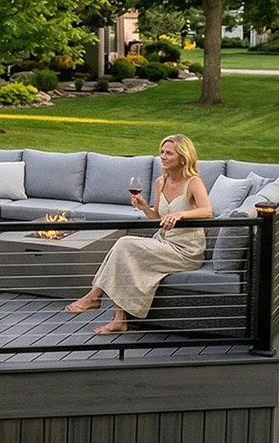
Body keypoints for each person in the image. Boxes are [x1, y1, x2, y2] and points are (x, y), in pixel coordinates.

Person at [63, 134, 211, 335]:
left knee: (124, 244)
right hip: (163, 242)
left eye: (169, 153)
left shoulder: (193, 182)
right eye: (162, 152)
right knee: (124, 252)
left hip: (186, 251)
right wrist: (144, 207)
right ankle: (119, 319)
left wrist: (181, 213)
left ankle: (94, 296)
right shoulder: (161, 182)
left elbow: (207, 211)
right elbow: (157, 217)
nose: (163, 157)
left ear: (183, 157)